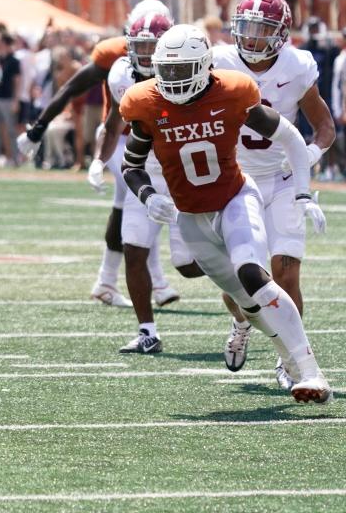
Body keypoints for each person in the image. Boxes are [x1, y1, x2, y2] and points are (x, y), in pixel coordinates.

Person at [120, 23, 331, 404]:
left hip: (235, 198)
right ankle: (286, 357)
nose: (173, 78)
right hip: (191, 217)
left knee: (255, 276)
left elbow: (291, 137)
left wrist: (302, 193)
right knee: (247, 303)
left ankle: (312, 372)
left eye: (182, 69)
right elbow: (131, 164)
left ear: (203, 66)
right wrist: (147, 194)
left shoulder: (232, 93)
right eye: (166, 70)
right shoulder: (147, 103)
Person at [19, 0, 180, 309]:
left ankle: (108, 281)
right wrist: (37, 129)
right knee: (145, 203)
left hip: (155, 143)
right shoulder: (116, 55)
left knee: (127, 209)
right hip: (118, 139)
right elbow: (71, 89)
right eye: (140, 43)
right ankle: (155, 283)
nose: (147, 50)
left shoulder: (177, 53)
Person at [212, 0, 335, 387]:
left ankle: (291, 361)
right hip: (235, 181)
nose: (250, 38)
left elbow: (325, 127)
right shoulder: (218, 61)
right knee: (240, 281)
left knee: (286, 273)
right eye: (246, 28)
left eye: (262, 30)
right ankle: (241, 322)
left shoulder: (297, 65)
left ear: (281, 33)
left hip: (282, 180)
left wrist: (308, 156)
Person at [95, 14, 204, 352]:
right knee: (133, 249)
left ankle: (238, 269)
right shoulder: (121, 76)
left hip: (182, 172)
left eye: (150, 47)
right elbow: (114, 121)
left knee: (187, 265)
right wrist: (99, 160)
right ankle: (147, 332)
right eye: (138, 46)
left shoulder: (185, 72)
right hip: (142, 172)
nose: (144, 55)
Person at [0, 33, 21, 165]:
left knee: (11, 129)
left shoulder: (14, 61)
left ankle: (15, 157)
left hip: (7, 98)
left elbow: (17, 81)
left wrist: (16, 100)